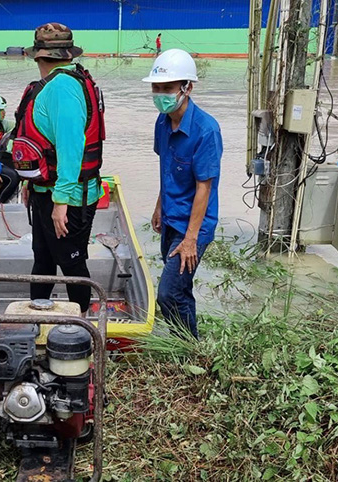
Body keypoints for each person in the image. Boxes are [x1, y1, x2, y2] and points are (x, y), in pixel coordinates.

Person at [16, 22, 105, 315]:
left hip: (68, 197)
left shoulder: (62, 88)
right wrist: (31, 184)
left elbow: (70, 149)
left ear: (38, 56)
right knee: (42, 258)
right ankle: (37, 317)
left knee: (71, 263)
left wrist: (61, 202)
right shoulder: (62, 83)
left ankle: (80, 325)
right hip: (46, 192)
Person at [143, 49, 222, 339]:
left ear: (187, 88)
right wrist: (158, 206)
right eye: (156, 87)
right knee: (180, 289)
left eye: (167, 88)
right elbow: (166, 167)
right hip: (171, 217)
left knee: (168, 293)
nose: (160, 94)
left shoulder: (206, 130)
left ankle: (189, 343)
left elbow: (204, 187)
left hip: (194, 226)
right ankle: (186, 344)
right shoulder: (162, 122)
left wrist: (190, 239)